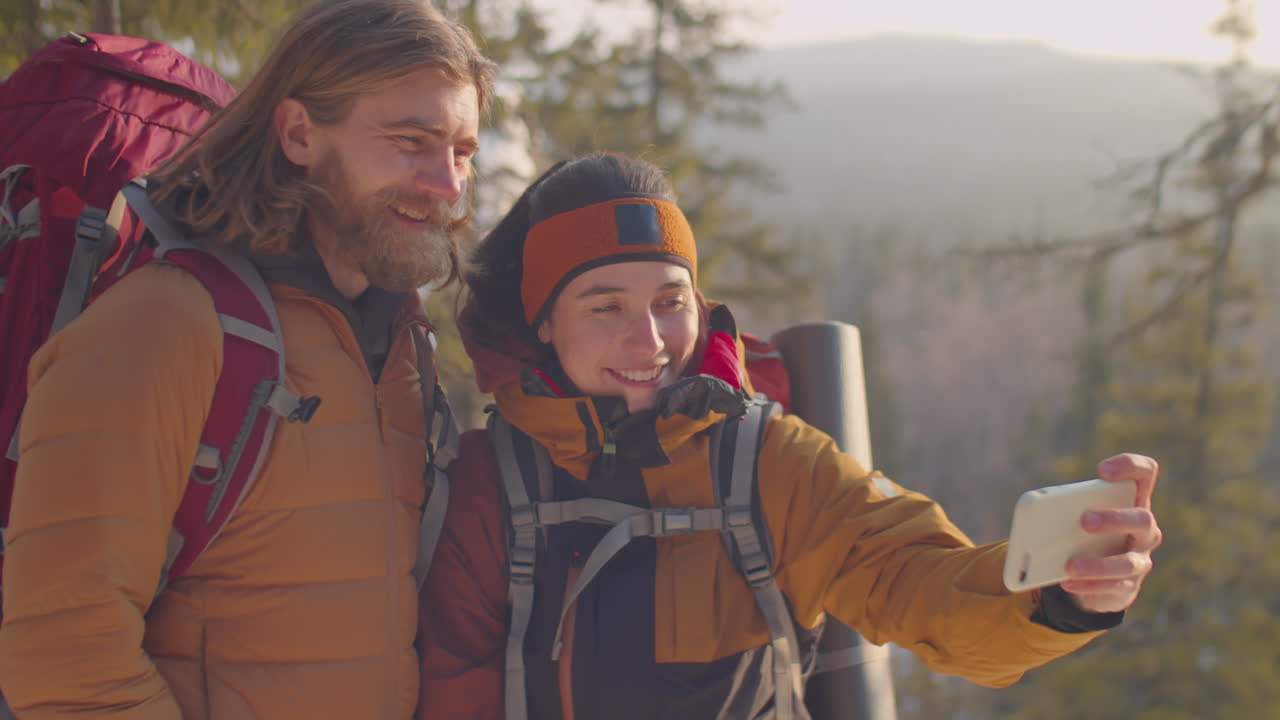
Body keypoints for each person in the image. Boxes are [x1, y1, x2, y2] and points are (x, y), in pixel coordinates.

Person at [417, 152, 1164, 720]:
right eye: (605, 307)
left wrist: (1063, 597)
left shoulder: (767, 460)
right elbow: (453, 683)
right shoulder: (494, 480)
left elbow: (915, 579)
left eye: (670, 301)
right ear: (545, 323)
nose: (649, 339)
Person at [0, 1, 494, 717]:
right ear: (298, 133)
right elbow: (66, 650)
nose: (447, 185)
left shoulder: (396, 343)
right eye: (411, 141)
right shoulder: (165, 323)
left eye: (462, 153)